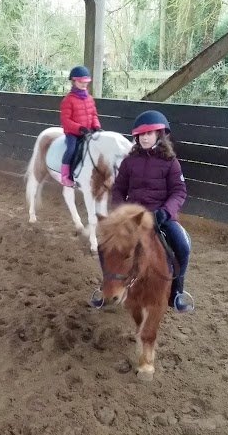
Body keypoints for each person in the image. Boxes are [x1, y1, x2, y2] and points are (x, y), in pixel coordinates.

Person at [110, 110, 195, 313]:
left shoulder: (170, 162)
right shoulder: (129, 162)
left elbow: (179, 191)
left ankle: (176, 293)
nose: (145, 138)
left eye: (149, 134)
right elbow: (117, 190)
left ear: (159, 135)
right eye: (141, 135)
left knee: (183, 246)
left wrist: (166, 211)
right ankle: (108, 287)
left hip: (161, 216)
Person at [59, 66, 101, 188]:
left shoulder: (90, 99)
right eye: (81, 82)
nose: (84, 85)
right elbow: (65, 120)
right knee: (71, 149)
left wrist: (97, 126)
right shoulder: (68, 100)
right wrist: (79, 128)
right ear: (74, 81)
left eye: (85, 83)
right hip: (73, 133)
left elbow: (93, 115)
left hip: (88, 131)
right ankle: (65, 176)